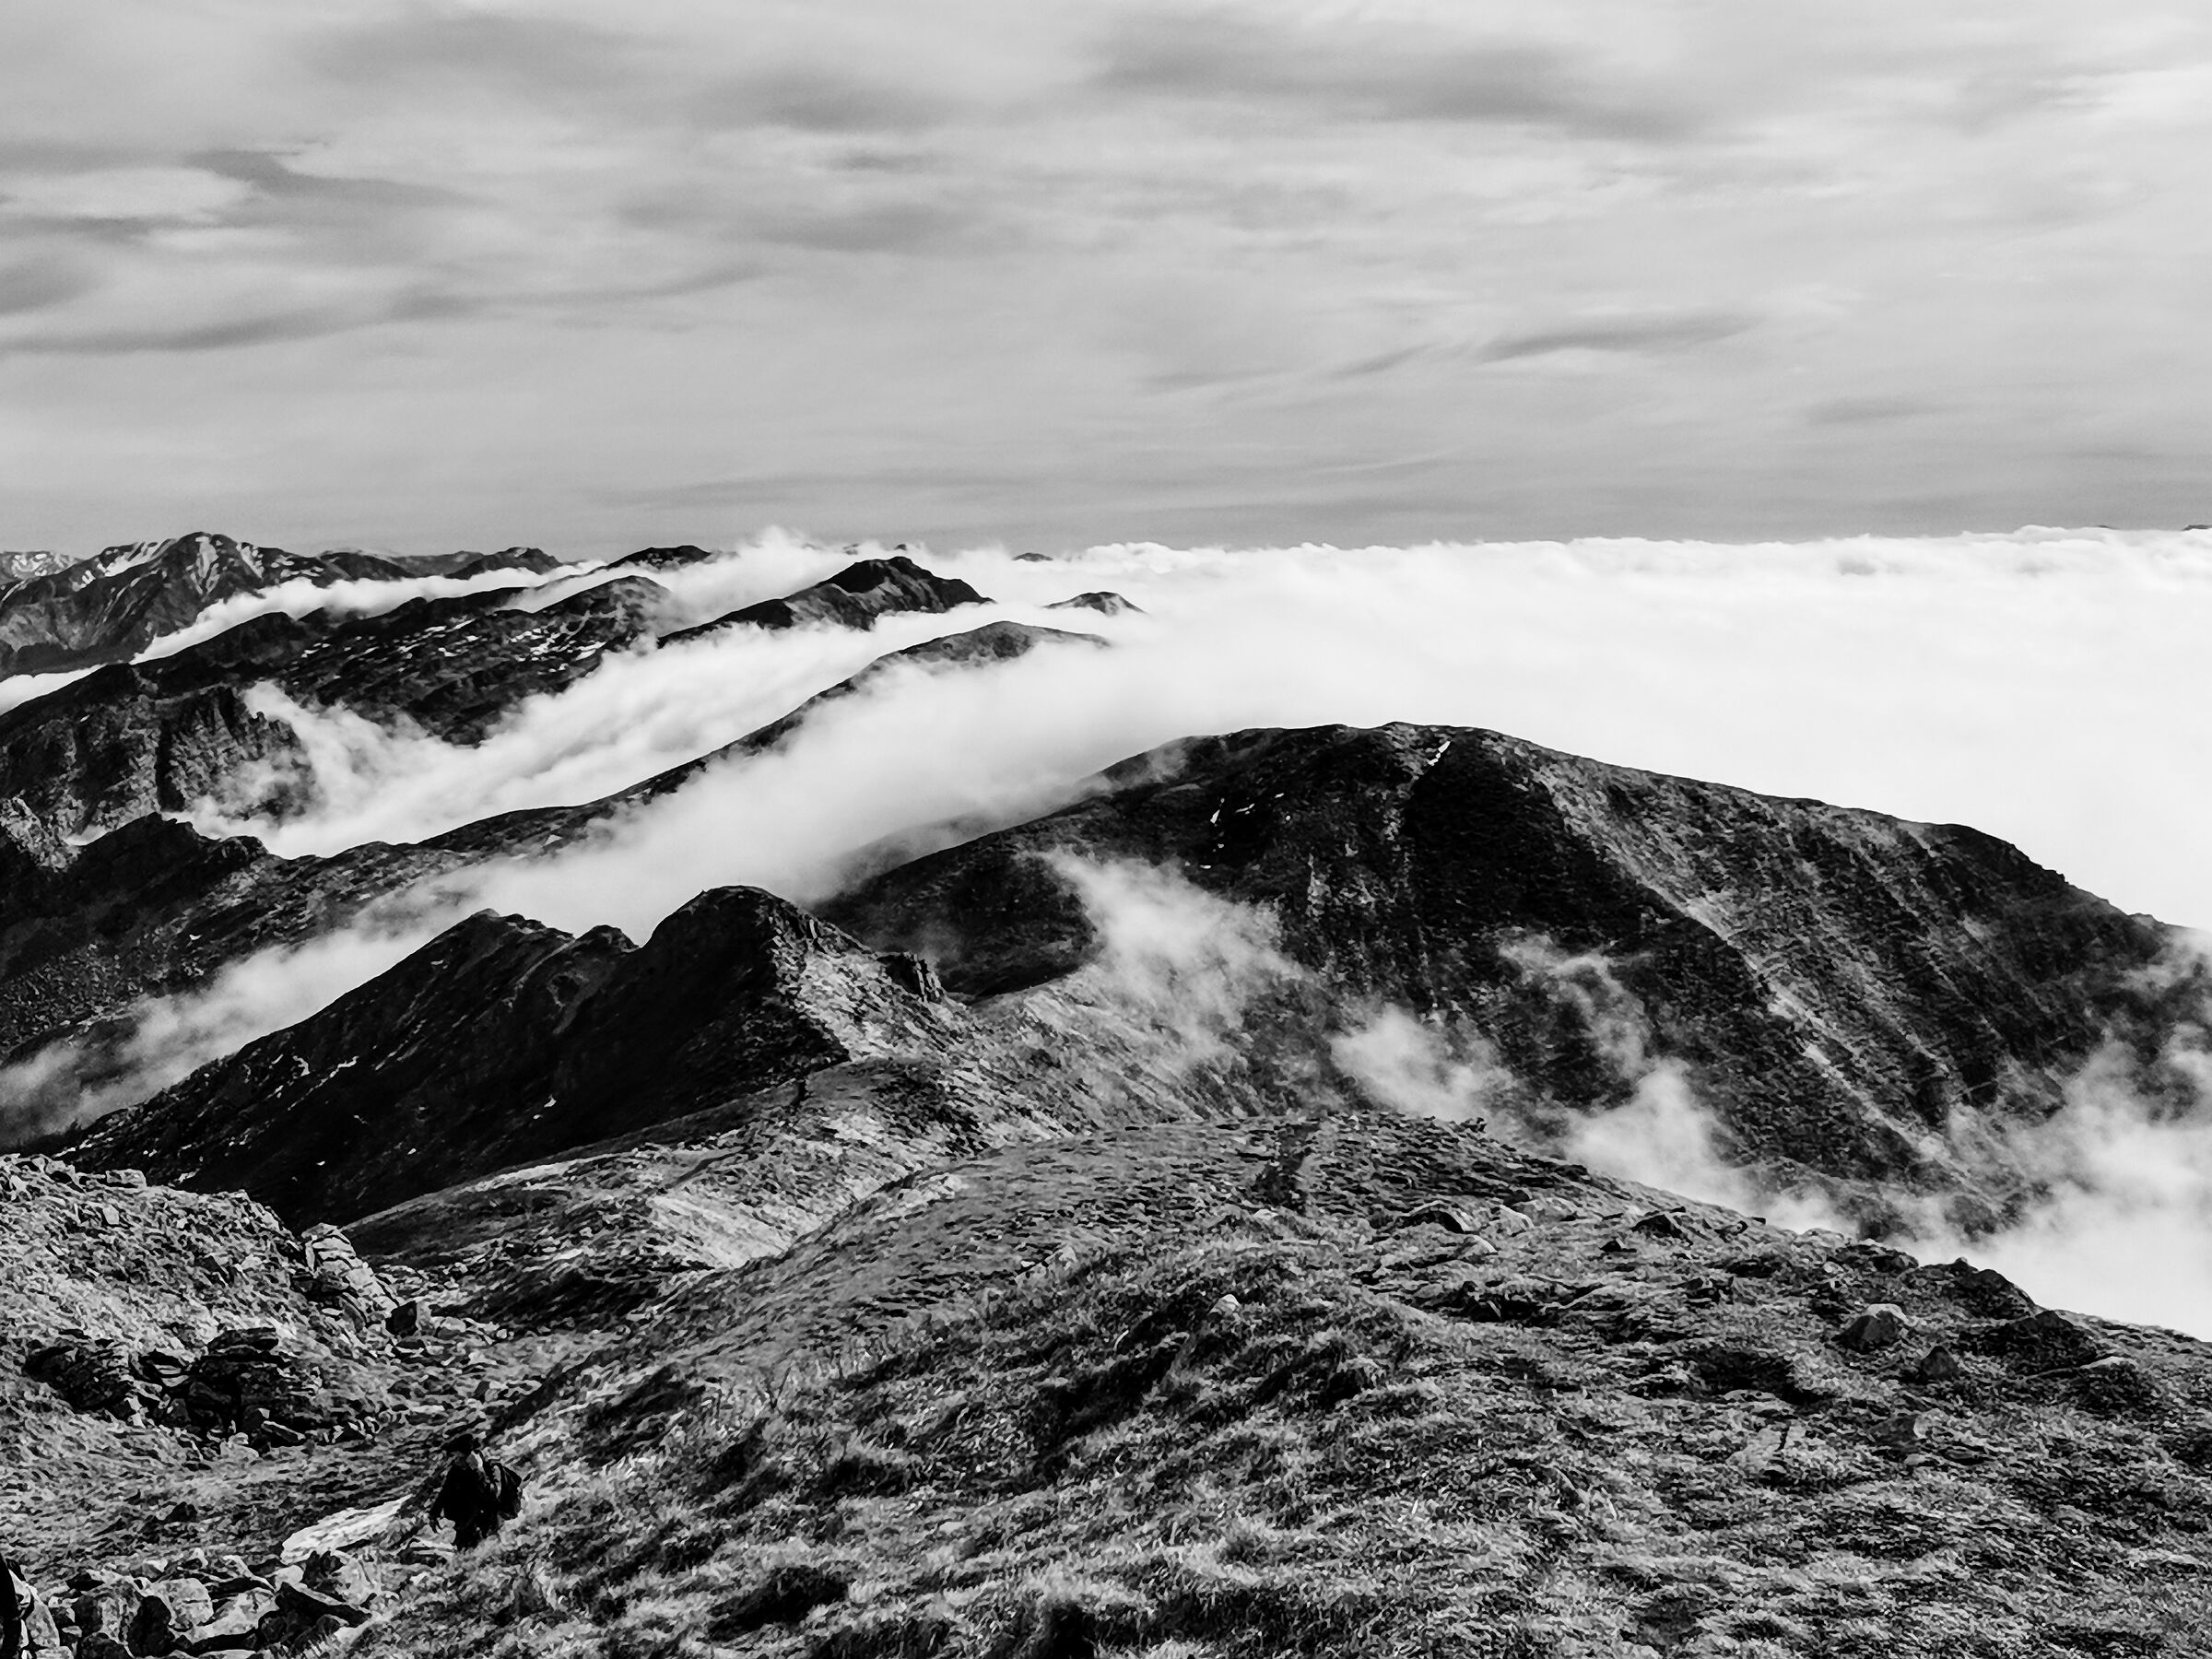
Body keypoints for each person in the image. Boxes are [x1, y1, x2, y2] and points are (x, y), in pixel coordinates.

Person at [429, 1430, 504, 1548]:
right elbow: (445, 1492)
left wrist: (478, 1472)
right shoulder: (456, 1471)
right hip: (465, 1527)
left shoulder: (491, 1469)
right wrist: (434, 1514)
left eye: (457, 1457)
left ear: (469, 1457)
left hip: (486, 1527)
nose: (455, 1461)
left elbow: (492, 1495)